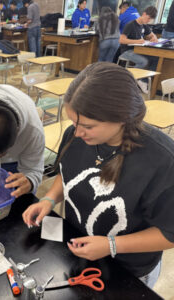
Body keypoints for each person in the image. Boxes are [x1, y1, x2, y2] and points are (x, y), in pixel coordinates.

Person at [22, 62, 174, 289]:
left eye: (88, 126)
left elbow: (169, 234)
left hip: (128, 269)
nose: (77, 131)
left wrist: (111, 245)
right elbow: (69, 173)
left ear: (122, 117)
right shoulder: (76, 135)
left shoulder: (162, 160)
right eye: (74, 122)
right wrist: (49, 198)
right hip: (78, 250)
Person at [119, 6, 158, 71]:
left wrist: (154, 37)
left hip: (138, 50)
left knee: (156, 59)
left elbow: (152, 35)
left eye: (151, 20)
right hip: (127, 51)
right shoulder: (130, 24)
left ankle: (144, 80)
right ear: (144, 14)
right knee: (143, 62)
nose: (149, 21)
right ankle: (129, 78)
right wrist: (137, 41)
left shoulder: (144, 25)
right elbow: (121, 40)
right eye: (148, 18)